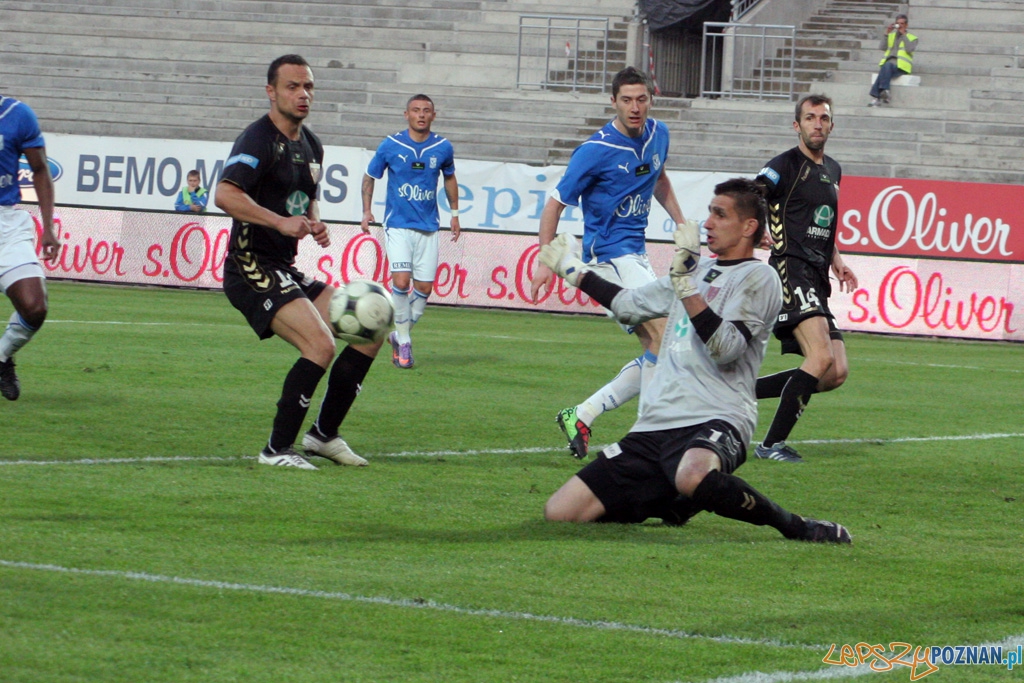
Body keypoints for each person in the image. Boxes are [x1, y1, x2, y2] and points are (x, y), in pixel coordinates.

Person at [539, 178, 850, 543]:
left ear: (749, 227)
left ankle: (795, 525)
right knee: (560, 512)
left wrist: (686, 286)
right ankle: (671, 500)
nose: (707, 223)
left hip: (718, 415)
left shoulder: (760, 277)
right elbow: (628, 305)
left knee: (692, 475)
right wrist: (571, 268)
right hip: (658, 423)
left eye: (720, 215)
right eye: (709, 213)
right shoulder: (694, 271)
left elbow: (726, 348)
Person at [215, 54, 375, 470]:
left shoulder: (311, 144)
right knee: (320, 344)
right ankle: (275, 451)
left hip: (284, 268)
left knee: (370, 329)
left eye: (308, 87)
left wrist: (314, 224)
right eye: (292, 86)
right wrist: (280, 223)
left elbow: (306, 199)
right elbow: (226, 196)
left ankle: (323, 436)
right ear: (271, 91)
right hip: (250, 267)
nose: (303, 94)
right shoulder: (257, 139)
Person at [529, 66, 691, 460]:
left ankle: (583, 414)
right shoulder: (595, 150)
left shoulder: (659, 134)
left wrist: (681, 222)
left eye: (641, 99)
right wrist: (543, 260)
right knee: (668, 337)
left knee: (660, 343)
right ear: (613, 102)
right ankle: (649, 437)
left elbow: (659, 177)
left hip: (635, 254)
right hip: (608, 256)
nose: (635, 108)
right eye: (626, 100)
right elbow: (555, 203)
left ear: (651, 99)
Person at [753, 94, 858, 464]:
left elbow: (822, 224)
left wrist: (837, 260)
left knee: (834, 372)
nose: (817, 124)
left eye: (824, 118)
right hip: (790, 269)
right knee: (820, 357)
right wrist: (758, 229)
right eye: (810, 118)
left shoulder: (834, 169)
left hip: (816, 274)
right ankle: (771, 445)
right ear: (797, 125)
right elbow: (752, 194)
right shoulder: (784, 165)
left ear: (832, 125)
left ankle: (740, 390)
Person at [360, 94, 460, 370]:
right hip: (398, 225)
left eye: (426, 110)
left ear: (433, 115)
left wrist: (454, 214)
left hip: (428, 227)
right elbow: (370, 176)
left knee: (425, 288)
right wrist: (367, 211)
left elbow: (450, 178)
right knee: (402, 282)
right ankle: (404, 341)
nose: (421, 115)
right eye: (416, 110)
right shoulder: (391, 145)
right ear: (406, 114)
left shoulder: (442, 147)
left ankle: (397, 333)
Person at [0, 95, 61, 401]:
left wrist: (48, 228)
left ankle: (1, 357)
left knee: (35, 306)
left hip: (6, 225)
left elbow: (39, 169)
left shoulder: (17, 114)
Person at [869, 14, 918, 107]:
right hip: (889, 64)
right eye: (898, 23)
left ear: (906, 25)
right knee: (886, 67)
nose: (900, 26)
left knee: (886, 67)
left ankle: (879, 95)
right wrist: (886, 34)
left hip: (901, 66)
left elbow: (909, 49)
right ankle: (883, 94)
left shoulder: (912, 38)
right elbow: (882, 47)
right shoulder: (891, 35)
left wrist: (904, 35)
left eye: (902, 24)